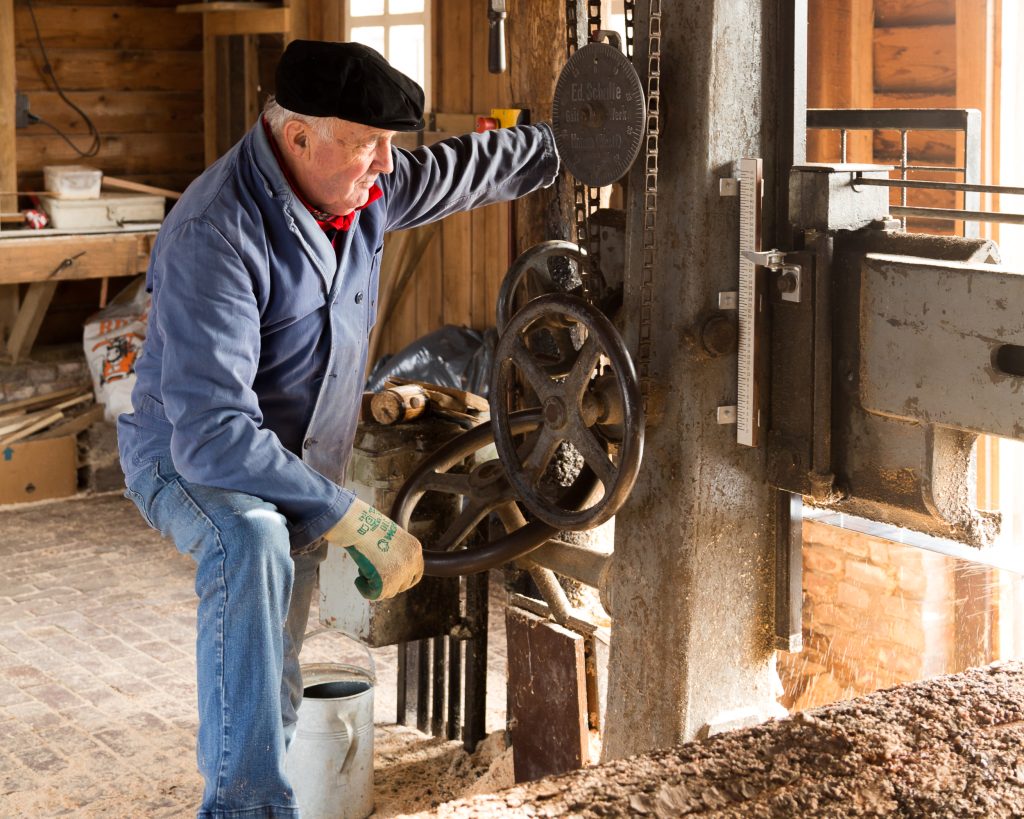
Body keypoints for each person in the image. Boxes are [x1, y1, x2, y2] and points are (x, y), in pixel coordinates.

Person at [117, 39, 559, 818]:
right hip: (185, 454)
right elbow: (214, 431)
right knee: (249, 540)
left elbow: (460, 170)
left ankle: (256, 784)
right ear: (296, 137)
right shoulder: (215, 231)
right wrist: (351, 516)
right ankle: (245, 809)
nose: (385, 165)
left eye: (389, 146)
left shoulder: (358, 186)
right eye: (366, 146)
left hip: (294, 462)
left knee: (274, 667)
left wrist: (561, 146)